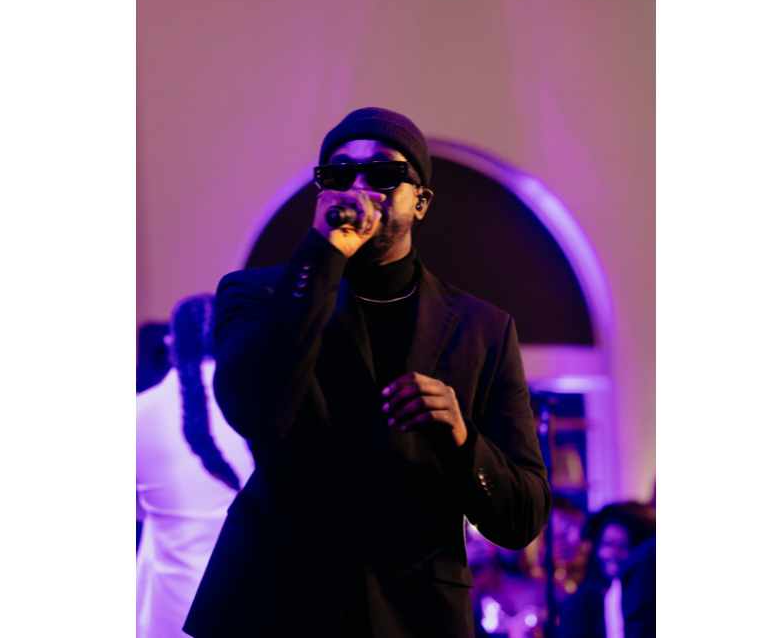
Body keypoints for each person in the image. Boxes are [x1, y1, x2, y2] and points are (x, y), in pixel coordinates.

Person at [184, 108, 551, 638]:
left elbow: (521, 518)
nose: (359, 187)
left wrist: (462, 439)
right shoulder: (256, 294)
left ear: (421, 201)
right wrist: (322, 254)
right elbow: (256, 411)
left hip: (415, 611)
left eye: (383, 173)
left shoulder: (485, 328)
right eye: (339, 174)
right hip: (275, 601)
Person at [137, 295, 256, 638]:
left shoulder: (141, 413)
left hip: (171, 609)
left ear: (170, 343)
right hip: (250, 596)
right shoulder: (261, 407)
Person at [557, 502, 656, 638]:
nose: (613, 553)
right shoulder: (584, 600)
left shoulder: (641, 596)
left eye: (623, 546)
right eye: (607, 544)